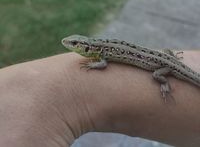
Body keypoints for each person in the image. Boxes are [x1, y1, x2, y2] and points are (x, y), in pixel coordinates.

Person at [0, 51, 199, 147]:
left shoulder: (102, 55)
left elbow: (102, 65)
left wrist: (91, 67)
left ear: (88, 48)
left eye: (76, 45)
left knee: (156, 76)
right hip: (169, 60)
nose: (71, 47)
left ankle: (164, 85)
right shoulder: (101, 50)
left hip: (167, 68)